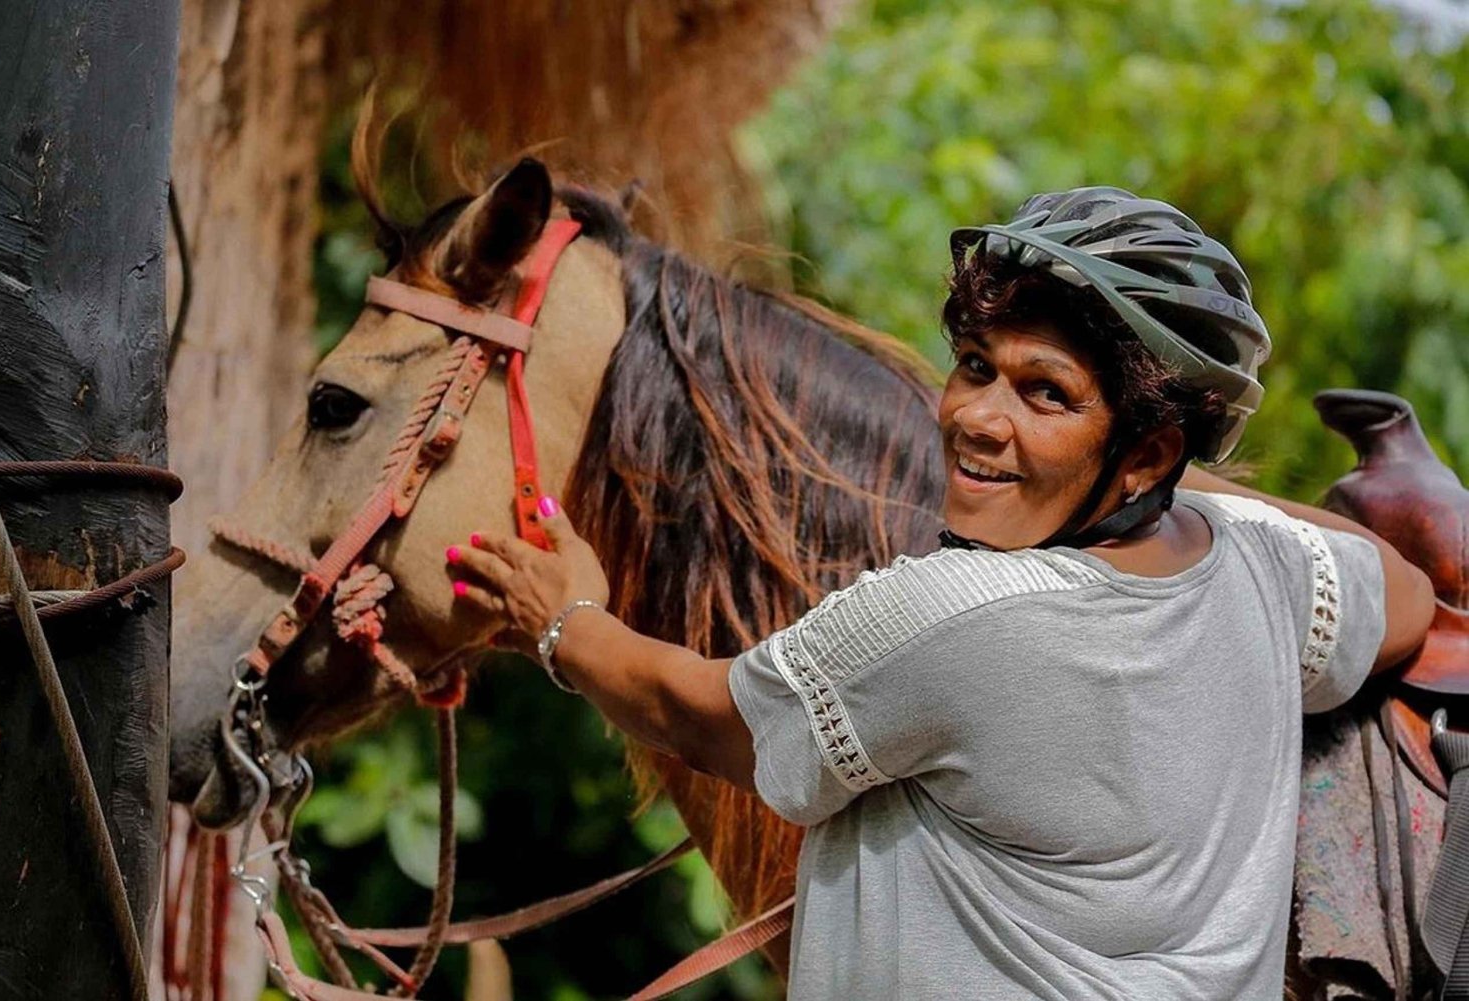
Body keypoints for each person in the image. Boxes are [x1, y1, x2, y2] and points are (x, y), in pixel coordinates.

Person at [444, 188, 1437, 999]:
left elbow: (703, 716)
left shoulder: (953, 615)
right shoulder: (1263, 570)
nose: (975, 419)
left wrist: (565, 619)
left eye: (1045, 393)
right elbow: (1404, 595)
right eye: (974, 367)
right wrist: (1179, 483)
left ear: (1145, 451)